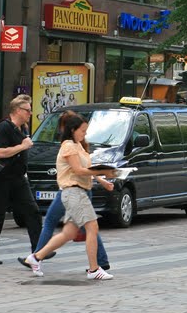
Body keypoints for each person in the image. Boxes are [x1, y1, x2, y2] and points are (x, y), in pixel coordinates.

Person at [21, 111, 117, 280]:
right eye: (82, 131)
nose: (84, 134)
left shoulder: (77, 144)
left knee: (69, 233)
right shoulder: (69, 146)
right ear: (73, 129)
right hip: (74, 192)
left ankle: (36, 257)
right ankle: (94, 269)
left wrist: (101, 178)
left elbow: (87, 168)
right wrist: (104, 171)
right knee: (92, 227)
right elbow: (79, 170)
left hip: (76, 192)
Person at [0, 95, 42, 265]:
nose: (30, 113)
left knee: (33, 212)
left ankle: (38, 252)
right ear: (18, 111)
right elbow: (0, 153)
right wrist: (23, 146)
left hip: (19, 178)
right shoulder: (4, 127)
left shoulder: (23, 128)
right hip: (3, 178)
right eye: (28, 110)